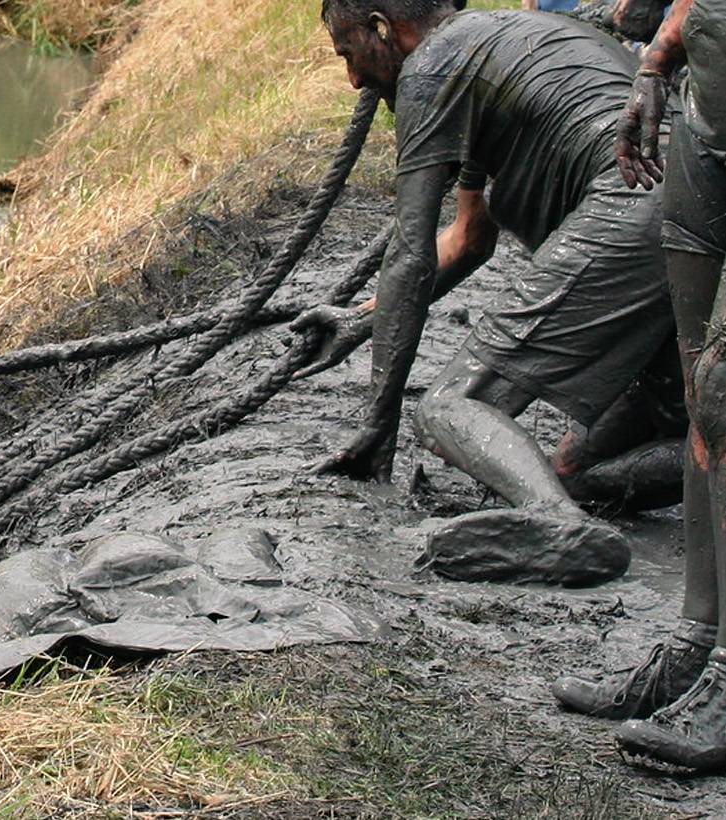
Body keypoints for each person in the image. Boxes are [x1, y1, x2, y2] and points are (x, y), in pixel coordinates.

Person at [304, 0, 676, 578]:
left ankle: (557, 524)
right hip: (693, 209)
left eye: (349, 54)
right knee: (583, 466)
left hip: (631, 203)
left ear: (381, 29)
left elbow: (410, 253)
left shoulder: (431, 67)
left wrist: (380, 423)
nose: (354, 79)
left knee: (452, 406)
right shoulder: (499, 46)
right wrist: (364, 317)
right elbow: (470, 238)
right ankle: (565, 501)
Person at [551, 0, 726, 771]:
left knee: (723, 389)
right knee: (701, 397)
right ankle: (696, 645)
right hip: (707, 111)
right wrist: (658, 56)